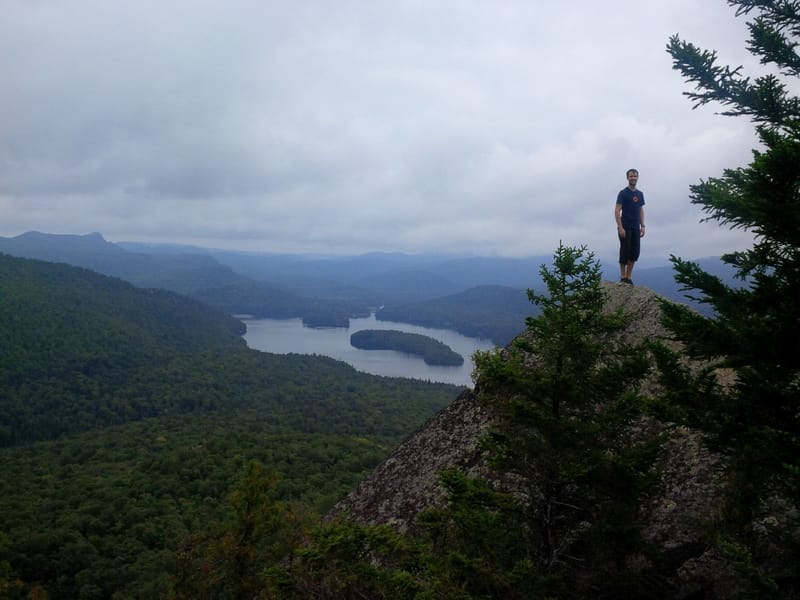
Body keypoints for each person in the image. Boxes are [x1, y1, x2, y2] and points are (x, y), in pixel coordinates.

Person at [614, 168, 646, 284]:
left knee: (634, 252)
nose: (633, 178)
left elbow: (641, 209)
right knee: (625, 251)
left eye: (635, 176)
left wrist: (643, 226)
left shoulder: (640, 194)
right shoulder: (623, 193)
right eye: (631, 176)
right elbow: (617, 210)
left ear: (638, 177)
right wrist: (620, 227)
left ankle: (629, 277)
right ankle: (623, 277)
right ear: (627, 178)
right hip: (625, 226)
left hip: (635, 227)